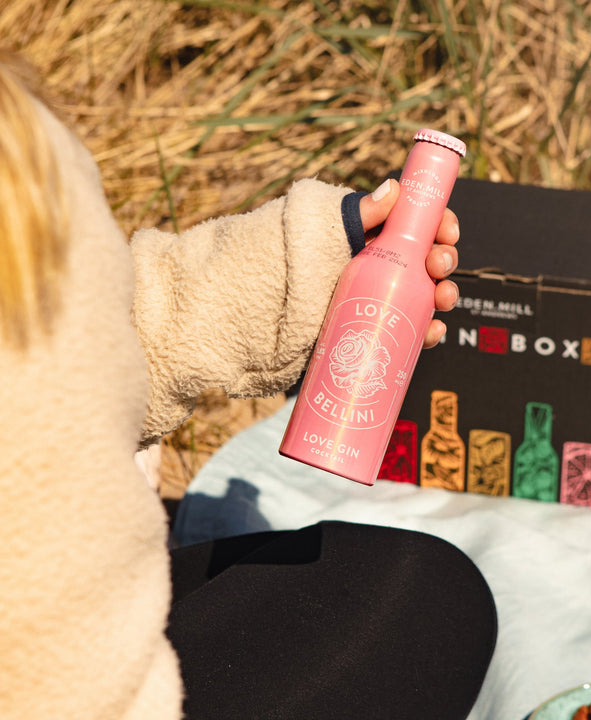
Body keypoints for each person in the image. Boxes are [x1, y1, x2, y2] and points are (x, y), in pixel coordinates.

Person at [0, 51, 496, 720]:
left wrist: (294, 276)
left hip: (85, 617)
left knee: (429, 586)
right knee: (425, 610)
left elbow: (71, 345)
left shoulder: (19, 138)